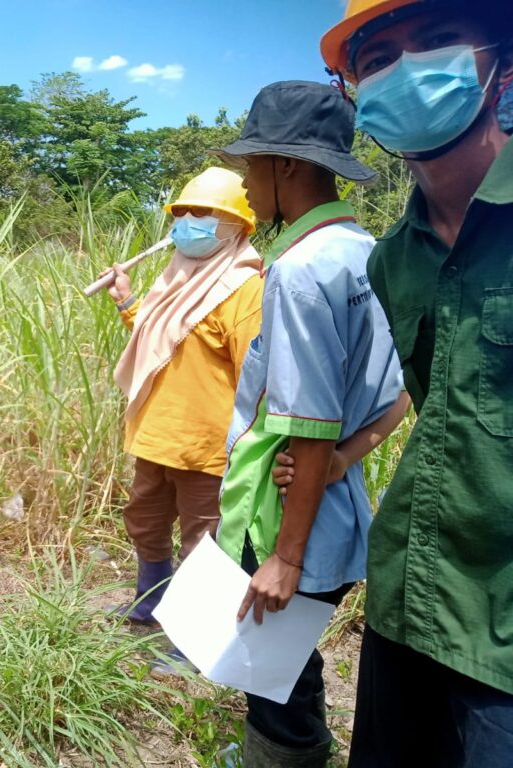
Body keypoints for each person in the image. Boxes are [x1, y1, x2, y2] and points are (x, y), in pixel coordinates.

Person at [321, 2, 513, 764]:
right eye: (378, 59)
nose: (406, 72)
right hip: (409, 603)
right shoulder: (391, 259)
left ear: (500, 61)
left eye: (435, 42)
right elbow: (431, 407)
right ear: (355, 94)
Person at [210, 81, 402, 766]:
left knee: (270, 680)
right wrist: (349, 456)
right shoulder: (367, 251)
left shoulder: (297, 271)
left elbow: (310, 422)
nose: (244, 182)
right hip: (337, 505)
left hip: (290, 518)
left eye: (250, 165)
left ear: (286, 165)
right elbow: (403, 391)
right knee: (289, 660)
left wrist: (285, 558)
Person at [103, 167, 263, 640]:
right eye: (184, 212)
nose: (190, 221)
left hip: (207, 445)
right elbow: (162, 340)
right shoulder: (177, 277)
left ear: (237, 227)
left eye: (205, 213)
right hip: (156, 435)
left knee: (203, 540)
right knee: (145, 521)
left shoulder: (244, 290)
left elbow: (256, 376)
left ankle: (192, 636)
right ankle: (150, 601)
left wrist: (251, 445)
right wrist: (127, 303)